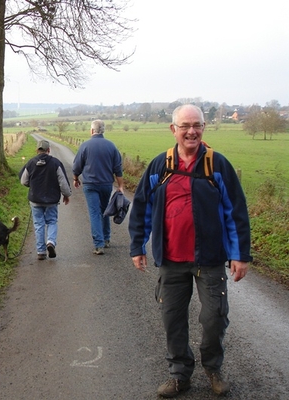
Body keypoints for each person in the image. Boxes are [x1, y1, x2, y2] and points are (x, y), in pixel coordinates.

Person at [128, 104, 252, 398]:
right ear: (174, 130)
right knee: (172, 319)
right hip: (171, 260)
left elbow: (236, 213)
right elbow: (142, 208)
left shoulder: (217, 165)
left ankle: (212, 368)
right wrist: (137, 245)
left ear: (204, 128)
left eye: (197, 125)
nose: (191, 131)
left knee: (214, 318)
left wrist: (240, 254)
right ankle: (179, 374)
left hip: (208, 260)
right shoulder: (161, 165)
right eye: (185, 126)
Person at [72, 120, 124, 255]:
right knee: (105, 210)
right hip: (106, 184)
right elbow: (117, 168)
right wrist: (121, 186)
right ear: (103, 131)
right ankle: (106, 239)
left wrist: (76, 178)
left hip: (90, 184)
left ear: (91, 131)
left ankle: (98, 244)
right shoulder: (111, 146)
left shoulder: (85, 146)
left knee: (94, 212)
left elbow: (77, 166)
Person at [19, 139, 71, 260]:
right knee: (52, 221)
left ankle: (41, 251)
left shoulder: (31, 163)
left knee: (38, 224)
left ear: (37, 150)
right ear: (48, 150)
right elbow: (63, 182)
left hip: (35, 199)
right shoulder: (55, 163)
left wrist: (32, 186)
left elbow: (23, 181)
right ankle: (51, 242)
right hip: (52, 200)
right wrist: (66, 195)